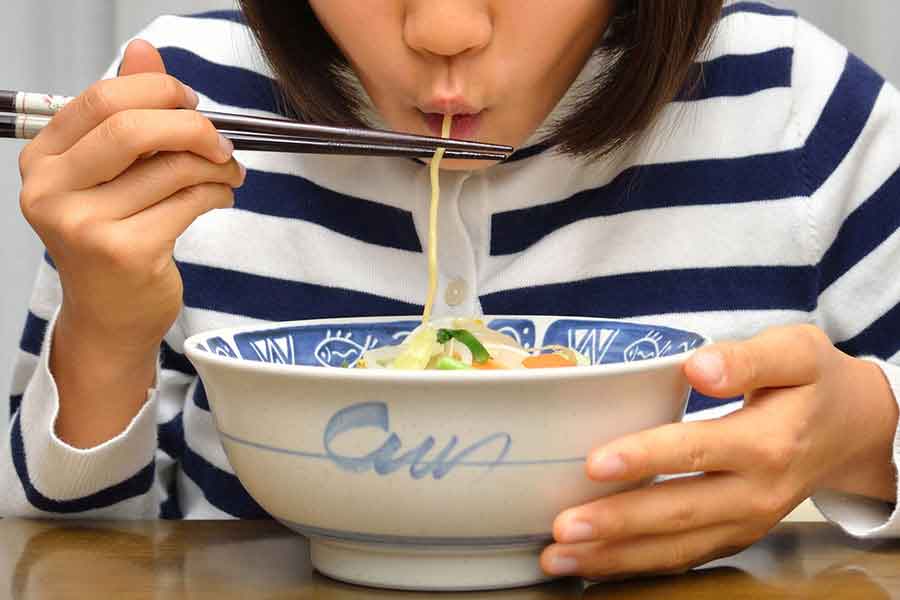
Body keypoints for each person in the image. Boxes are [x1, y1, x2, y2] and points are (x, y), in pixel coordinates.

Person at [3, 0, 899, 580]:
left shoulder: (795, 106)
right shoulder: (181, 105)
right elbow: (70, 555)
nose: (442, 27)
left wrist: (864, 434)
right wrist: (107, 327)